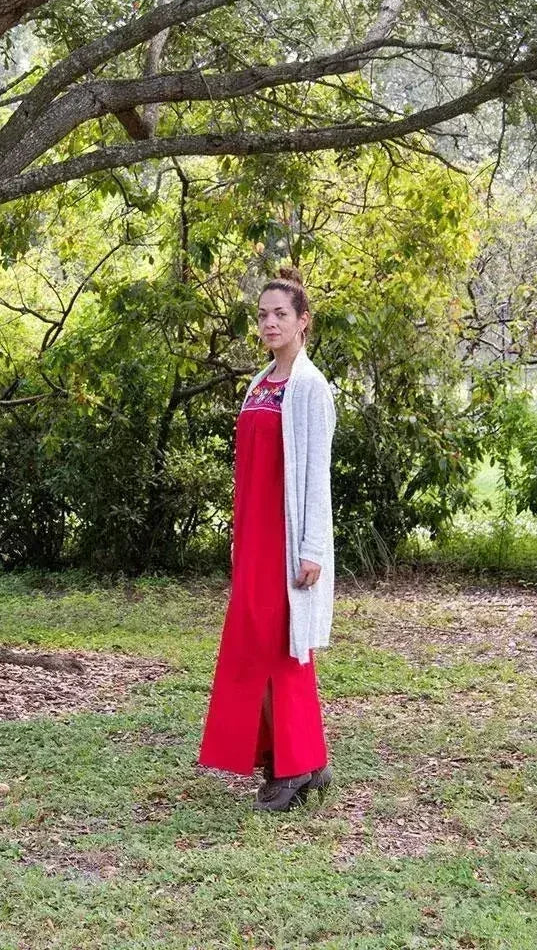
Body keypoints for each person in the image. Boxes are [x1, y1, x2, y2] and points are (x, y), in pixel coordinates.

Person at [198, 265, 336, 812]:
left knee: (283, 648)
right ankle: (308, 762)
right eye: (262, 315)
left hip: (286, 543)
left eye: (281, 314)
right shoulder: (260, 383)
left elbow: (316, 475)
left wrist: (312, 549)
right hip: (253, 539)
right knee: (253, 645)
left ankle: (294, 768)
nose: (269, 323)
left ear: (303, 322)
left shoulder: (308, 387)